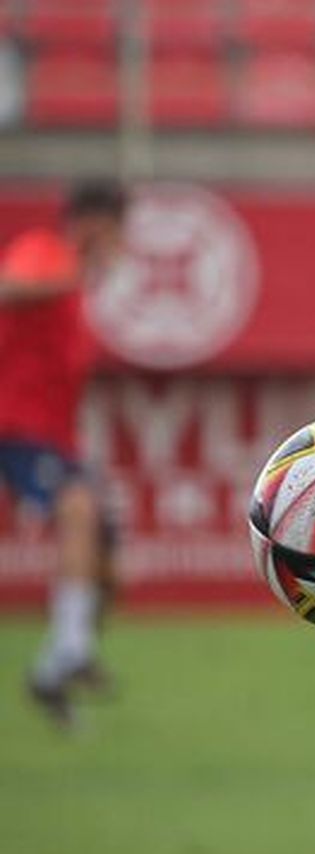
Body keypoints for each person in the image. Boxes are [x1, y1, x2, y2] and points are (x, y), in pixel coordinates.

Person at [1, 179, 125, 730]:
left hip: (56, 438)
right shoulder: (47, 252)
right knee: (78, 510)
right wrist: (75, 266)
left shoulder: (79, 287)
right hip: (14, 428)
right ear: (94, 222)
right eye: (117, 228)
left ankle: (57, 667)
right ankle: (70, 649)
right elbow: (12, 284)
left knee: (107, 561)